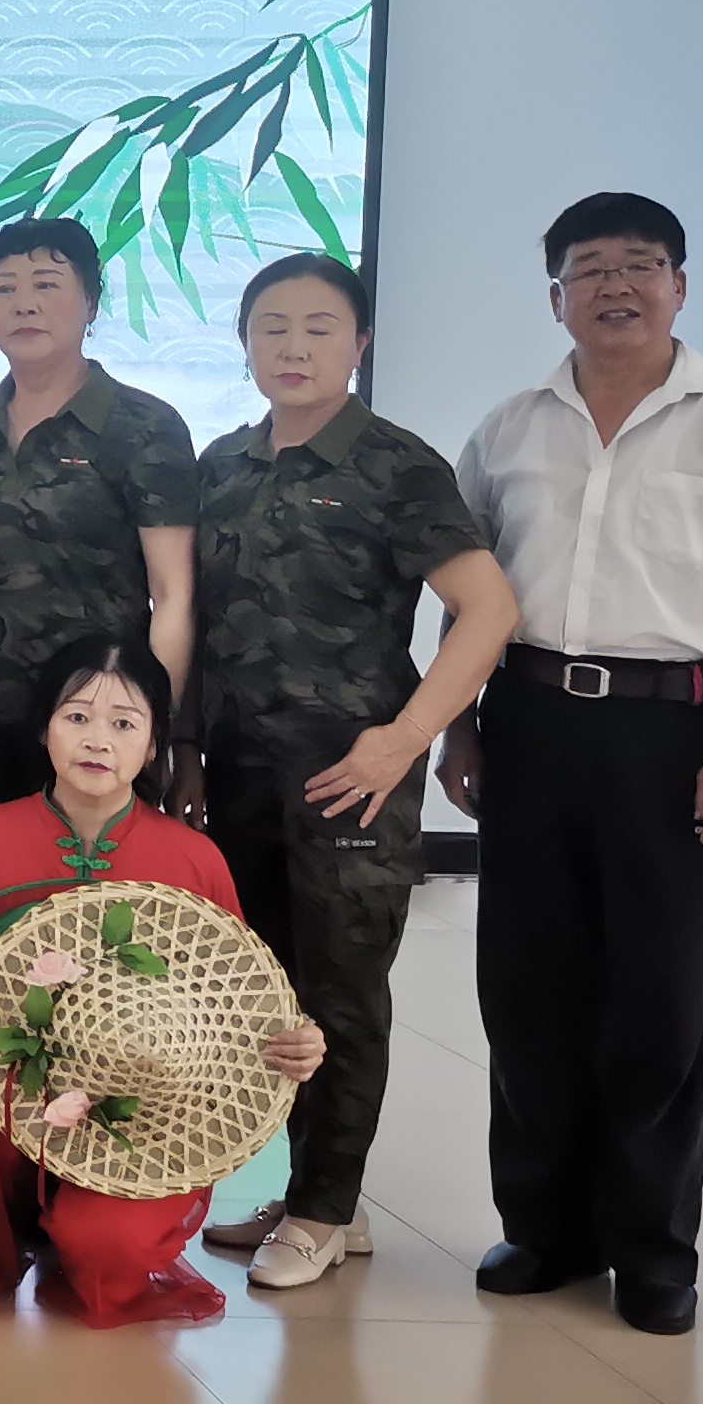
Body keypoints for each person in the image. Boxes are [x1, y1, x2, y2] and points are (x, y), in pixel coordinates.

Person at [442, 193, 703, 1336]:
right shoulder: (509, 427)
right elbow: (470, 592)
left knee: (663, 998)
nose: (614, 287)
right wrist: (458, 725)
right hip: (531, 722)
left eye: (640, 265)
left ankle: (650, 1247)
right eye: (589, 269)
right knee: (528, 989)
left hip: (677, 733)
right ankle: (544, 1228)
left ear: (680, 286)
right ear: (555, 297)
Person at [191, 255, 519, 1292]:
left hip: (353, 779)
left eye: (319, 328)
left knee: (341, 991)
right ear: (245, 342)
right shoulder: (223, 464)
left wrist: (407, 737)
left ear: (359, 343)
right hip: (240, 772)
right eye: (272, 327)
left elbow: (489, 609)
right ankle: (314, 1189)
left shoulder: (395, 464)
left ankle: (324, 1211)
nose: (293, 347)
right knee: (269, 989)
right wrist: (190, 748)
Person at [0, 635, 328, 1328]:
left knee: (105, 1254)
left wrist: (295, 1043)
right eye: (77, 717)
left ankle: (79, 1228)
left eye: (125, 723)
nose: (98, 740)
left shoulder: (193, 860)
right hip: (9, 1086)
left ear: (153, 747)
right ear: (44, 729)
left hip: (144, 1109)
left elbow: (241, 1002)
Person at [0, 218, 197, 821]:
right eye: (4, 288)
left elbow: (173, 596)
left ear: (91, 303)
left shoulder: (144, 425)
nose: (24, 304)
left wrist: (158, 729)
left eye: (47, 284)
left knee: (92, 883)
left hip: (99, 732)